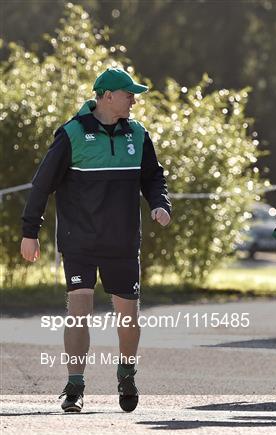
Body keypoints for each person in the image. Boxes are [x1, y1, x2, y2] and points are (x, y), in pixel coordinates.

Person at [20, 67, 171, 413]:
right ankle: (75, 385)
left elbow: (153, 177)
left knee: (128, 317)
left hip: (121, 242)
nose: (133, 99)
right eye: (128, 93)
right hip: (80, 242)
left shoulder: (138, 134)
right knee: (78, 312)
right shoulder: (71, 135)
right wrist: (30, 231)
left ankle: (127, 373)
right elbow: (42, 185)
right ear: (106, 97)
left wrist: (160, 204)